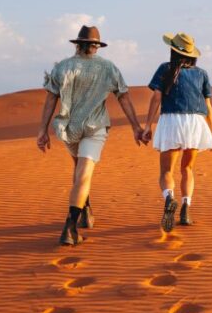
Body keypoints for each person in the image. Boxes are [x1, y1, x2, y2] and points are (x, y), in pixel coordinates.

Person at [37, 25, 147, 245]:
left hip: (68, 128)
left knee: (79, 172)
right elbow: (123, 97)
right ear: (96, 46)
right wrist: (135, 126)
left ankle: (84, 213)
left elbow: (50, 99)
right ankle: (70, 227)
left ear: (78, 44)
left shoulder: (62, 68)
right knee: (83, 174)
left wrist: (42, 130)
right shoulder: (108, 68)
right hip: (95, 128)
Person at [143, 32, 212, 231]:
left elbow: (156, 98)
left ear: (172, 51)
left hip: (171, 121)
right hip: (195, 123)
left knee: (166, 171)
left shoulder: (165, 69)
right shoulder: (201, 74)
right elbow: (208, 106)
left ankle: (169, 198)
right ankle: (186, 208)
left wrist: (148, 125)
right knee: (188, 169)